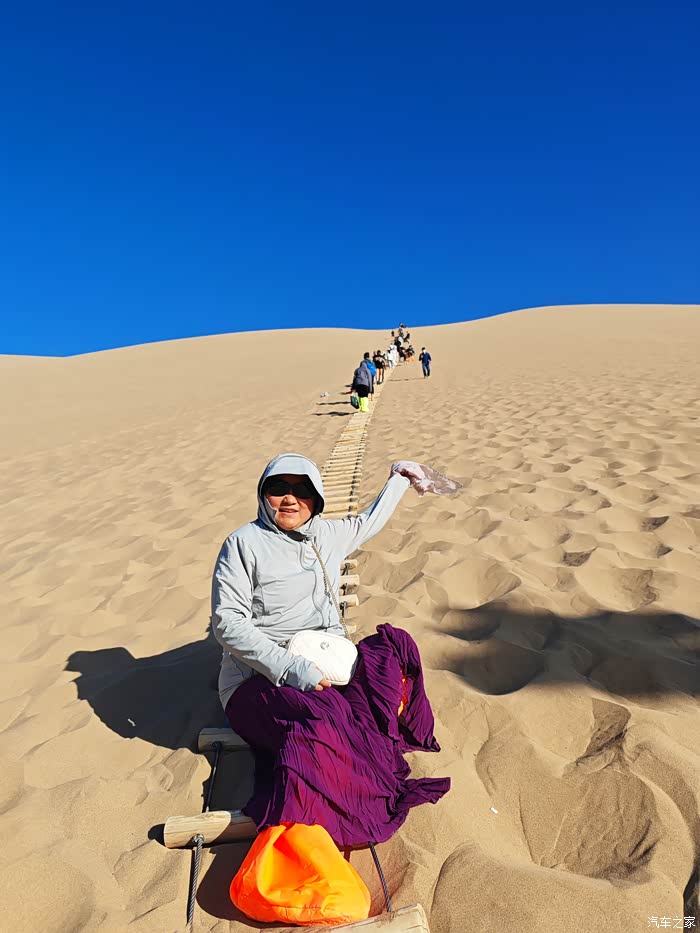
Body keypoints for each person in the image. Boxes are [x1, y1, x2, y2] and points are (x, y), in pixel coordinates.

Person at [210, 454, 450, 848]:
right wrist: (292, 669)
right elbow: (227, 624)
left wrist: (400, 478)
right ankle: (326, 819)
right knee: (325, 717)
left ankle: (366, 752)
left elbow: (368, 522)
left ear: (317, 498)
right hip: (259, 679)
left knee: (394, 649)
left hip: (324, 658)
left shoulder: (328, 535)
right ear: (263, 494)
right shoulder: (243, 544)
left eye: (302, 489)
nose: (291, 499)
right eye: (278, 488)